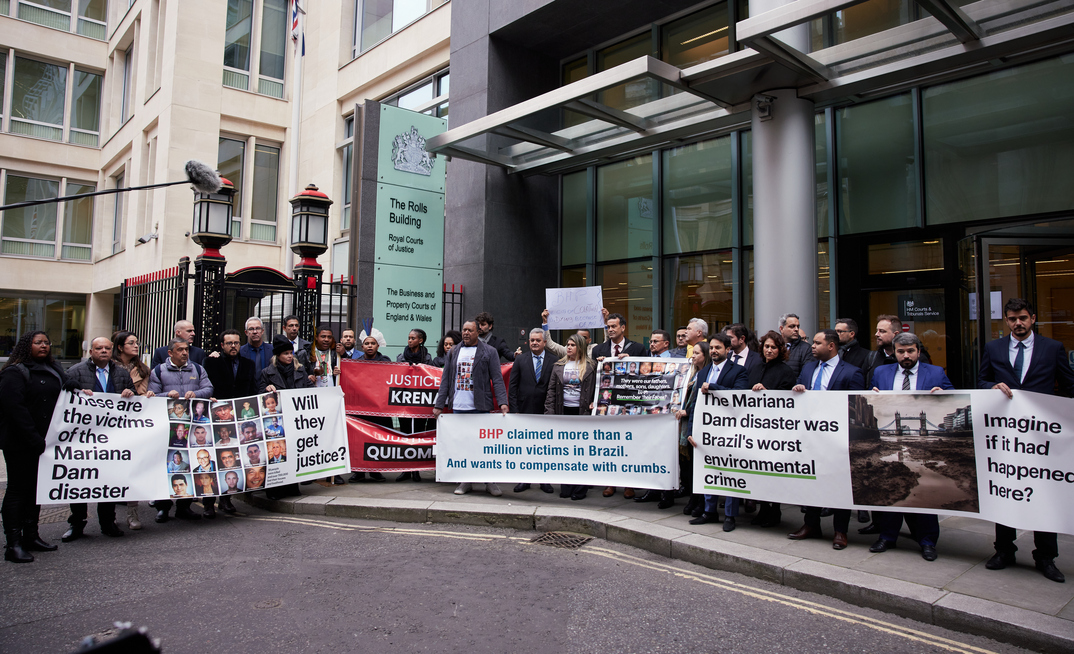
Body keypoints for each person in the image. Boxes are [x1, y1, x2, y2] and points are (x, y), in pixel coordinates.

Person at [978, 298, 1074, 583]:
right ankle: (1003, 550)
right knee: (1006, 488)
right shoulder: (993, 348)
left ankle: (1046, 557)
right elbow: (981, 379)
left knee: (1042, 492)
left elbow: (1069, 385)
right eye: (1011, 319)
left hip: (1041, 435)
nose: (1017, 323)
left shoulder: (1053, 348)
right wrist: (991, 386)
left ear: (1033, 318)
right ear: (1005, 321)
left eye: (1022, 318)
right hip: (1006, 435)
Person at [868, 332, 953, 562]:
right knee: (891, 488)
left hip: (923, 444)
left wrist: (944, 395)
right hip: (890, 440)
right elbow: (872, 404)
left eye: (910, 351)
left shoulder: (935, 372)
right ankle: (887, 536)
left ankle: (927, 542)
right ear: (894, 351)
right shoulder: (881, 372)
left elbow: (953, 397)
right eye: (901, 351)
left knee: (923, 490)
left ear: (918, 351)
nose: (906, 356)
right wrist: (871, 396)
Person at [0, 332, 74, 563]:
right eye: (38, 342)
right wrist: (33, 437)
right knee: (18, 490)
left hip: (45, 443)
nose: (44, 346)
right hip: (21, 442)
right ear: (26, 346)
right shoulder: (15, 372)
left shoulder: (54, 369)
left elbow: (66, 391)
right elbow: (15, 409)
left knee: (36, 490)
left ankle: (31, 536)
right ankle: (13, 543)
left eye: (46, 342)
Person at [788, 329, 865, 549]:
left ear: (831, 346)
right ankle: (811, 525)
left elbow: (856, 408)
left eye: (817, 343)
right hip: (811, 436)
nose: (811, 346)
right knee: (812, 481)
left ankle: (840, 531)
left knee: (839, 484)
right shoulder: (808, 368)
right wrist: (798, 389)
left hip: (838, 440)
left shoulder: (852, 372)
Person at [62, 336, 136, 541]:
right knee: (80, 482)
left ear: (112, 350)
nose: (103, 351)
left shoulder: (121, 373)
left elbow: (135, 398)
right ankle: (76, 524)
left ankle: (108, 523)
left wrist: (130, 392)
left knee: (108, 481)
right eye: (99, 348)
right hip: (84, 438)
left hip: (111, 438)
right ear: (91, 351)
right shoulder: (75, 371)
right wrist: (77, 392)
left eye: (106, 348)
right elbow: (64, 397)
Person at [433, 320, 509, 497]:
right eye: (464, 330)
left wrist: (503, 402)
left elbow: (497, 379)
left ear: (477, 333)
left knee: (483, 446)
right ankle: (466, 481)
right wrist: (439, 404)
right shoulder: (453, 351)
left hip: (480, 406)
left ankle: (489, 481)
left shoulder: (489, 352)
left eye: (470, 330)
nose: (466, 333)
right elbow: (446, 380)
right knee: (463, 446)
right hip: (459, 407)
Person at [146, 338, 214, 522]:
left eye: (186, 350)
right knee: (165, 466)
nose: (185, 353)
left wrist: (196, 394)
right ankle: (163, 507)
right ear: (170, 353)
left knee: (187, 464)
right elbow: (151, 396)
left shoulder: (198, 369)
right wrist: (166, 395)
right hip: (167, 427)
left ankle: (184, 507)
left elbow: (208, 388)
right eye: (180, 350)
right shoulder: (159, 371)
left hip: (190, 426)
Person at [688, 333, 750, 530]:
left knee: (729, 472)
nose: (714, 351)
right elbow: (696, 404)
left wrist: (713, 387)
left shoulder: (739, 371)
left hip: (729, 430)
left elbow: (739, 396)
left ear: (728, 350)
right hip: (706, 430)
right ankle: (709, 511)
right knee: (709, 470)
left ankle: (730, 516)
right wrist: (691, 430)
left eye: (718, 348)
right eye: (712, 348)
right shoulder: (703, 372)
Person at [745, 330, 797, 528]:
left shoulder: (786, 371)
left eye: (773, 347)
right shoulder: (755, 367)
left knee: (772, 473)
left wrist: (768, 394)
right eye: (766, 346)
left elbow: (788, 400)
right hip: (754, 427)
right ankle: (763, 509)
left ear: (780, 349)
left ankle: (774, 511)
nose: (769, 350)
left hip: (775, 430)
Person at [593, 312, 648, 499]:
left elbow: (644, 376)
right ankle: (610, 483)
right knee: (610, 444)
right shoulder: (598, 350)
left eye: (614, 326)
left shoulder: (638, 349)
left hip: (629, 403)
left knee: (629, 445)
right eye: (608, 327)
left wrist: (631, 361)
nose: (610, 330)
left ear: (623, 328)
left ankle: (629, 483)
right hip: (607, 403)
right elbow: (594, 377)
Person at [544, 333, 596, 500]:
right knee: (565, 452)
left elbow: (596, 389)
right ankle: (566, 485)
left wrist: (594, 403)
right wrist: (549, 413)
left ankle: (580, 489)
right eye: (568, 345)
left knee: (581, 452)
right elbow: (551, 391)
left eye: (572, 345)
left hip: (581, 413)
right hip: (563, 412)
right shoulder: (559, 365)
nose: (569, 347)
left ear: (580, 347)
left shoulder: (590, 366)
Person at [258, 335, 309, 498]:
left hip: (295, 418)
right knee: (277, 453)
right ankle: (274, 489)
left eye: (291, 353)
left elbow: (309, 390)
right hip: (277, 421)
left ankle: (292, 486)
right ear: (278, 355)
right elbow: (259, 394)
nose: (290, 356)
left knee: (293, 452)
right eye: (286, 353)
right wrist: (266, 390)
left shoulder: (300, 370)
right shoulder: (267, 373)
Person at [509, 328, 555, 494]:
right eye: (532, 340)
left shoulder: (554, 360)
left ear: (544, 342)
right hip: (524, 410)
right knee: (526, 447)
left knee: (545, 447)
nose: (535, 343)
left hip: (545, 410)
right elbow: (512, 386)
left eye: (538, 340)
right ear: (528, 342)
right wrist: (514, 409)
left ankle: (545, 481)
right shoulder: (520, 360)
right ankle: (524, 479)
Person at [112, 330, 150, 530]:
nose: (136, 346)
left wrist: (147, 395)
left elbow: (143, 394)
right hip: (112, 425)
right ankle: (108, 514)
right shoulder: (110, 368)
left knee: (133, 468)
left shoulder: (143, 369)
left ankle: (132, 512)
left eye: (137, 342)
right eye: (131, 343)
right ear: (120, 347)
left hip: (134, 424)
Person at [677, 342, 710, 517]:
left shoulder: (706, 374)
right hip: (686, 424)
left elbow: (700, 402)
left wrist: (687, 411)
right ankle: (693, 498)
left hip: (697, 423)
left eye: (697, 353)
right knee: (688, 466)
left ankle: (700, 501)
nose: (693, 356)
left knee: (697, 466)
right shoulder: (692, 372)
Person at [780, 313, 811, 378]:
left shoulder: (806, 348)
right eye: (792, 326)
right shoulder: (775, 346)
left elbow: (807, 373)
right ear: (781, 328)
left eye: (798, 326)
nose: (796, 329)